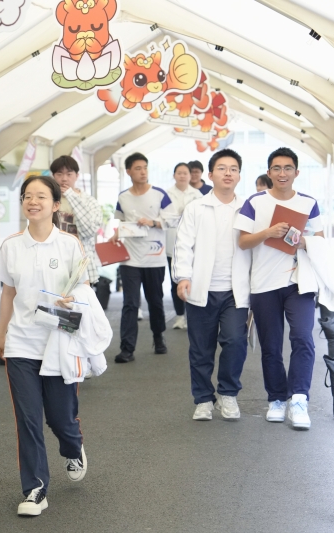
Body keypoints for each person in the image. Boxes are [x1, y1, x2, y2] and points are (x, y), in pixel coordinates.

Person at [0, 175, 89, 517]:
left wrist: (72, 299)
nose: (32, 202)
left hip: (60, 341)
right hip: (22, 344)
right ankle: (35, 489)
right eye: (27, 196)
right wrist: (2, 335)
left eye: (40, 196)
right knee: (28, 419)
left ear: (55, 204)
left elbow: (84, 290)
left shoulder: (70, 244)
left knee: (61, 418)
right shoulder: (11, 246)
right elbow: (8, 292)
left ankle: (73, 446)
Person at [234, 147, 324, 430]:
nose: (282, 173)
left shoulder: (308, 203)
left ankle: (299, 399)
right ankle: (276, 399)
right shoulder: (255, 202)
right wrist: (268, 233)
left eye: (287, 168)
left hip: (300, 282)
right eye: (277, 168)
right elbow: (243, 242)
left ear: (297, 172)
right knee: (271, 346)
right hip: (264, 283)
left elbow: (321, 239)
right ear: (269, 172)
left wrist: (302, 241)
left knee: (303, 338)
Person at [174, 149, 251, 421]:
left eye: (233, 169)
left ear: (239, 176)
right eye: (222, 168)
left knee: (235, 341)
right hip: (201, 289)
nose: (228, 173)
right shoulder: (196, 208)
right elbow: (183, 244)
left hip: (235, 291)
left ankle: (228, 394)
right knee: (201, 349)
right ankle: (204, 399)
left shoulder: (248, 208)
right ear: (210, 175)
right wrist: (183, 276)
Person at [111, 152, 172, 362]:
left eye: (145, 167)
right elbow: (121, 222)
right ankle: (127, 349)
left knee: (155, 301)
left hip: (154, 257)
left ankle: (158, 336)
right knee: (130, 303)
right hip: (129, 258)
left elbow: (173, 220)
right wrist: (116, 234)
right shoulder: (123, 197)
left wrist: (153, 222)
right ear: (128, 171)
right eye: (138, 168)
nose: (143, 172)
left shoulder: (160, 194)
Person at [50, 155, 103, 285]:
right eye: (59, 174)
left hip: (81, 258)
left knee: (82, 295)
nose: (64, 178)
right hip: (53, 256)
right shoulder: (49, 200)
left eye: (69, 174)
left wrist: (70, 195)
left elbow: (89, 231)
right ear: (53, 176)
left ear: (77, 176)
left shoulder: (89, 201)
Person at [166, 162, 203, 330]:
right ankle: (179, 316)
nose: (182, 176)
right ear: (174, 175)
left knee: (193, 280)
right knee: (176, 281)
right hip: (171, 244)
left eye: (185, 173)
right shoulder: (166, 194)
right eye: (179, 173)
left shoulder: (197, 195)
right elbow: (164, 218)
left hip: (193, 245)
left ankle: (191, 315)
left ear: (190, 176)